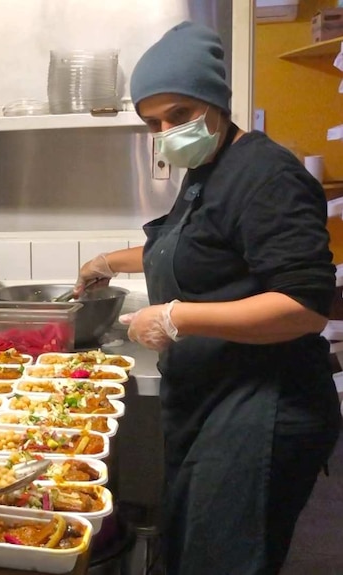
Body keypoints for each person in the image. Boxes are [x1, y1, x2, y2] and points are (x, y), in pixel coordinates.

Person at [75, 21, 341, 575]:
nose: (167, 132)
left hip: (264, 405)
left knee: (221, 559)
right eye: (153, 122)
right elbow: (188, 245)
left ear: (216, 101)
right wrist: (107, 262)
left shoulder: (267, 176)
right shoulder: (206, 168)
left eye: (179, 114)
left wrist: (178, 317)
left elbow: (305, 305)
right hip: (214, 397)